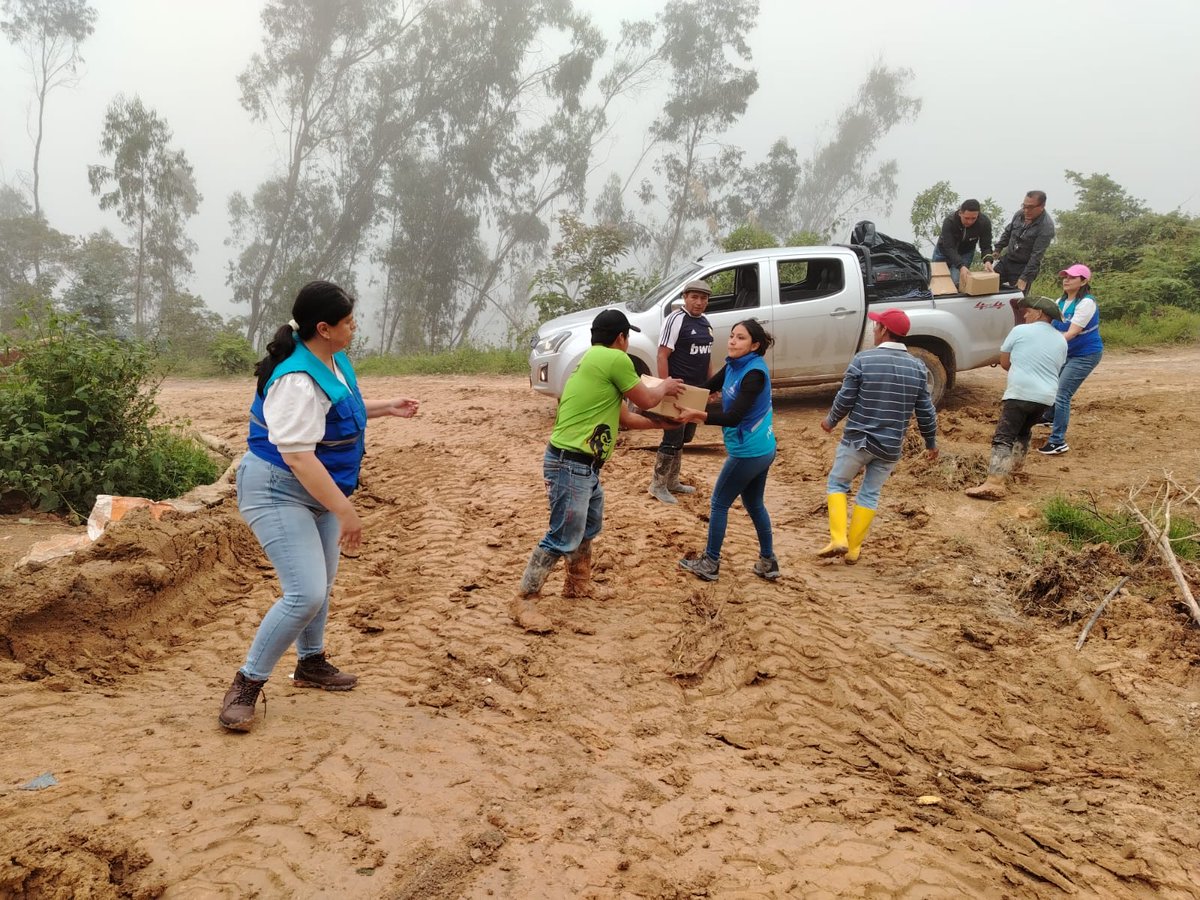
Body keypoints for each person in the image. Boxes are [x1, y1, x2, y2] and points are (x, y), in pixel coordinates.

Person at [219, 281, 420, 732]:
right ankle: (246, 685)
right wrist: (345, 511)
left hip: (318, 490)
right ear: (324, 328)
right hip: (278, 488)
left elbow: (331, 409)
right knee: (305, 591)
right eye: (348, 322)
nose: (354, 328)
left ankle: (311, 663)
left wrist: (386, 407)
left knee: (322, 583)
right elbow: (296, 455)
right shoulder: (294, 377)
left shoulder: (333, 359)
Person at [512, 309, 685, 634]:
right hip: (569, 463)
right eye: (627, 338)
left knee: (588, 524)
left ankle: (578, 583)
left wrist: (661, 425)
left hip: (580, 464)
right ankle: (525, 599)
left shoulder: (592, 363)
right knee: (563, 533)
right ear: (621, 338)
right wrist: (667, 386)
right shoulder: (613, 359)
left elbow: (626, 417)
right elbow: (647, 399)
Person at [818, 309, 938, 565]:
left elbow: (845, 398)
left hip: (858, 439)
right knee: (869, 494)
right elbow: (926, 411)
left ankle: (838, 537)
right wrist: (931, 443)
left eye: (876, 326)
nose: (873, 329)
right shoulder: (918, 368)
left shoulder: (863, 360)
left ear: (884, 330)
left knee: (838, 484)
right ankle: (853, 549)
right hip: (890, 447)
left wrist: (830, 421)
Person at [676, 319, 779, 583]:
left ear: (754, 345)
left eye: (741, 338)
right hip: (762, 447)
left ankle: (710, 563)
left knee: (719, 503)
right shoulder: (734, 364)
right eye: (732, 335)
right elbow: (708, 387)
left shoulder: (754, 373)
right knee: (754, 503)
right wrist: (673, 394)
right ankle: (768, 562)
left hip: (749, 451)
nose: (732, 341)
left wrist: (699, 415)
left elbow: (734, 416)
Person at [965, 296, 1067, 500]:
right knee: (1023, 432)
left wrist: (1020, 369)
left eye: (1028, 311)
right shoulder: (1061, 339)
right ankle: (1016, 469)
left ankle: (994, 482)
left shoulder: (1020, 331)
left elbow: (1004, 362)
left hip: (1020, 392)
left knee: (1004, 436)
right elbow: (1056, 366)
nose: (1025, 314)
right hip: (1046, 397)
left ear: (1040, 313)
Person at [649, 279, 714, 504]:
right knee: (673, 434)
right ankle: (657, 485)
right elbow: (662, 355)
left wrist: (711, 386)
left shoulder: (706, 323)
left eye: (703, 298)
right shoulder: (675, 320)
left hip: (697, 391)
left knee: (685, 436)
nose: (698, 302)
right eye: (694, 297)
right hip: (678, 389)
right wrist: (665, 385)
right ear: (685, 297)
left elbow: (707, 357)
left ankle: (672, 481)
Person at [1038, 263, 1103, 456]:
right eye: (1065, 276)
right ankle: (1050, 416)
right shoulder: (1060, 301)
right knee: (1052, 385)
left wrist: (1048, 345)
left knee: (1062, 394)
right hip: (1066, 353)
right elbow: (1048, 326)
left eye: (1072, 277)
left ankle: (1058, 441)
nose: (1066, 280)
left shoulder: (1086, 303)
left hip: (1085, 354)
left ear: (1084, 281)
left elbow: (1072, 332)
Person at [992, 190, 1056, 294]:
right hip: (1008, 260)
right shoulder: (1019, 214)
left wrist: (1024, 278)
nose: (1026, 210)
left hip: (1024, 267)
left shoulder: (1046, 227)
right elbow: (1008, 232)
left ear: (1042, 206)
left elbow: (1036, 255)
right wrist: (998, 249)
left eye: (1030, 207)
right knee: (987, 285)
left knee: (1017, 300)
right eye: (1024, 206)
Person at [932, 199, 994, 288]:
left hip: (965, 253)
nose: (970, 222)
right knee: (937, 282)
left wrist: (988, 260)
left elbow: (986, 245)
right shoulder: (949, 221)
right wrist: (961, 265)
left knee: (956, 282)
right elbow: (949, 247)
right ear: (960, 213)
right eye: (966, 218)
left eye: (974, 218)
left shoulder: (984, 222)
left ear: (978, 215)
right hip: (944, 251)